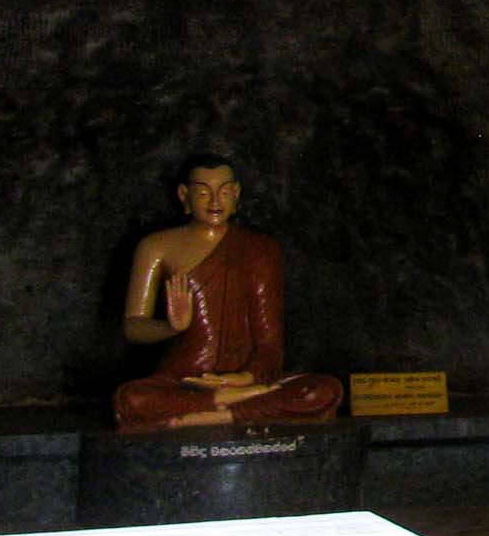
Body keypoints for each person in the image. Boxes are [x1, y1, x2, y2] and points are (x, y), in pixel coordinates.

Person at [114, 159, 343, 432]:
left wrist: (245, 378)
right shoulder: (156, 247)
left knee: (324, 390)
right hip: (184, 380)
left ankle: (214, 413)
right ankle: (236, 407)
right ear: (184, 195)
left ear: (235, 194)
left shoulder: (261, 250)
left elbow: (270, 342)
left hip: (248, 382)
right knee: (132, 399)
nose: (214, 201)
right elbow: (133, 325)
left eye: (223, 192)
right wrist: (170, 327)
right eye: (202, 192)